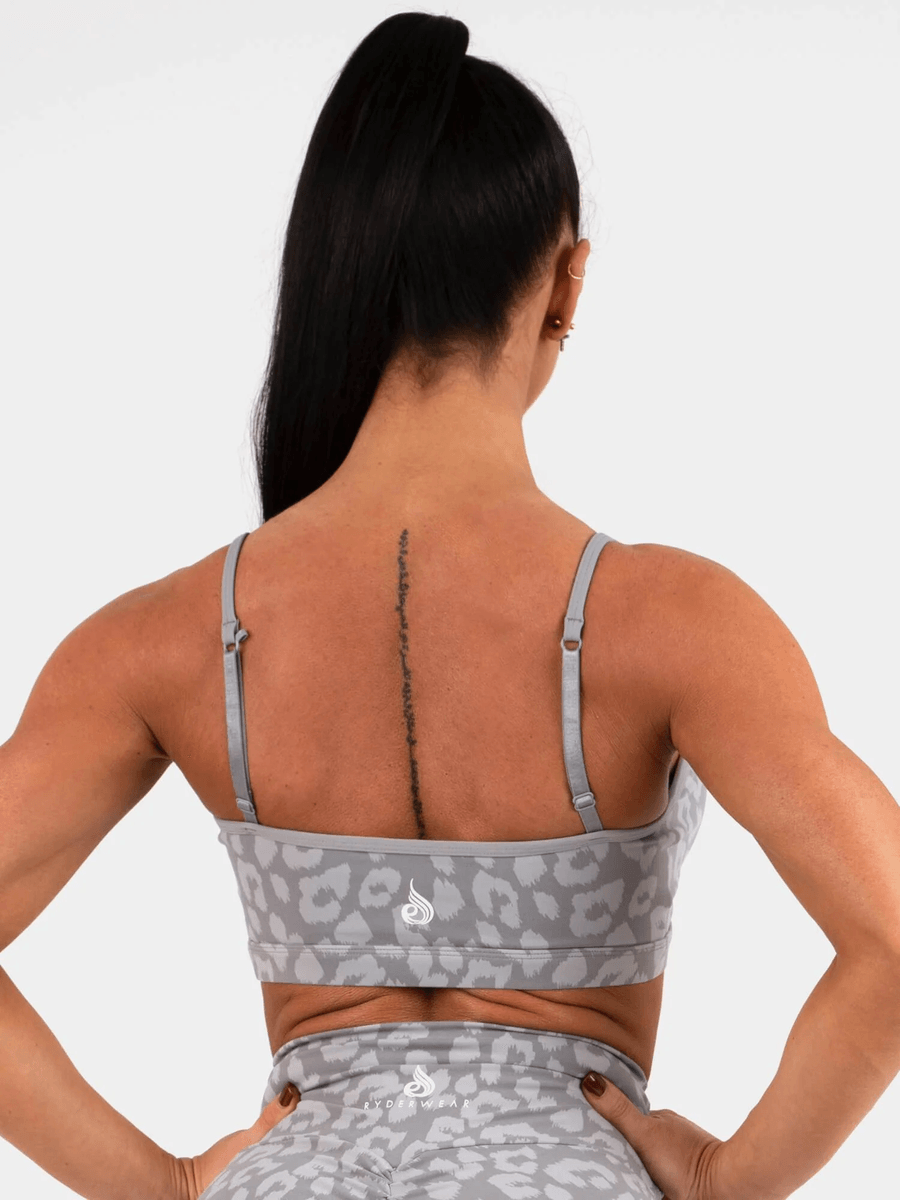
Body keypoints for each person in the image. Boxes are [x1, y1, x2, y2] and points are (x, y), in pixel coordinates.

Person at [2, 11, 899, 1200]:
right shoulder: (678, 621)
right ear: (567, 283)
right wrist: (728, 1180)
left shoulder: (162, 639)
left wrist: (161, 1186)